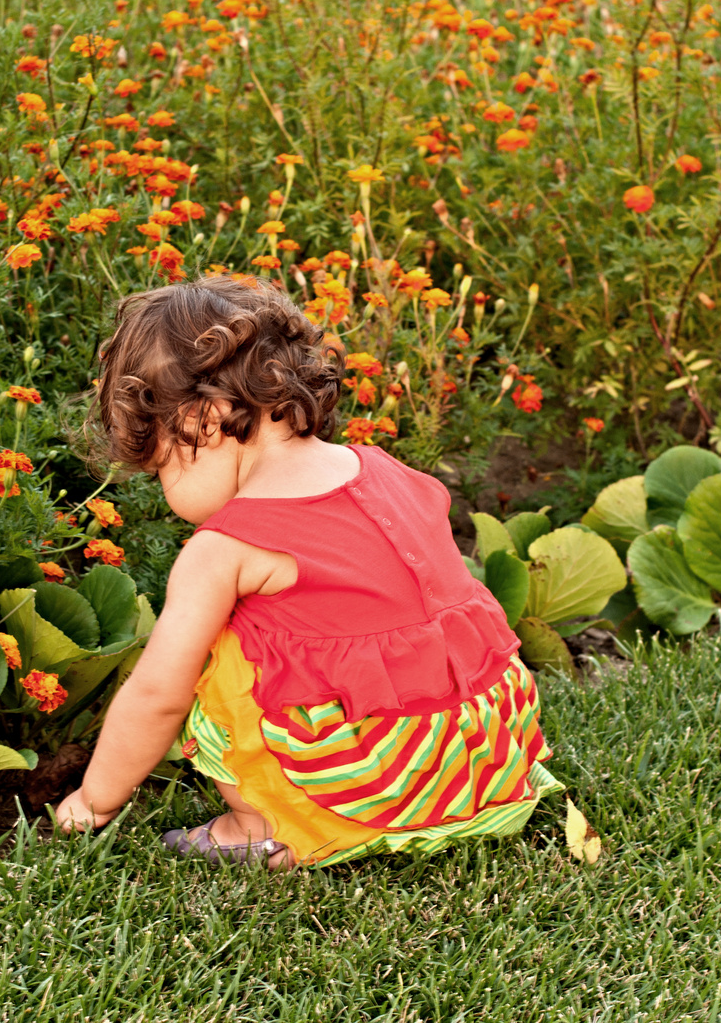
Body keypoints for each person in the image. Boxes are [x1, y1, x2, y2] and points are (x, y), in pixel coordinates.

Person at [55, 276, 562, 867]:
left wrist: (93, 802)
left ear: (203, 421)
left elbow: (156, 697)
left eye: (162, 464)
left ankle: (262, 826)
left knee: (215, 659)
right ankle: (429, 800)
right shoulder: (386, 471)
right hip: (480, 764)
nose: (166, 489)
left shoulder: (225, 547)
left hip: (359, 790)